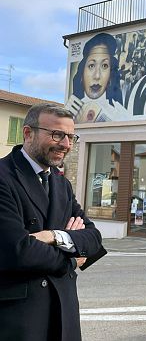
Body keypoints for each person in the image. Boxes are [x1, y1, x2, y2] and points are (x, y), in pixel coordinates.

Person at [0, 103, 103, 341]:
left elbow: (94, 239)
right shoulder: (4, 177)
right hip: (20, 321)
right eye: (57, 134)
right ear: (28, 133)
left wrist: (54, 236)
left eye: (70, 137)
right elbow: (19, 251)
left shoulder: (61, 183)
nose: (66, 144)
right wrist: (70, 261)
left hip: (64, 315)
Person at [72, 32, 123, 106]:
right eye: (91, 66)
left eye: (104, 66)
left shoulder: (118, 112)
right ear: (82, 71)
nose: (97, 76)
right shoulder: (70, 112)